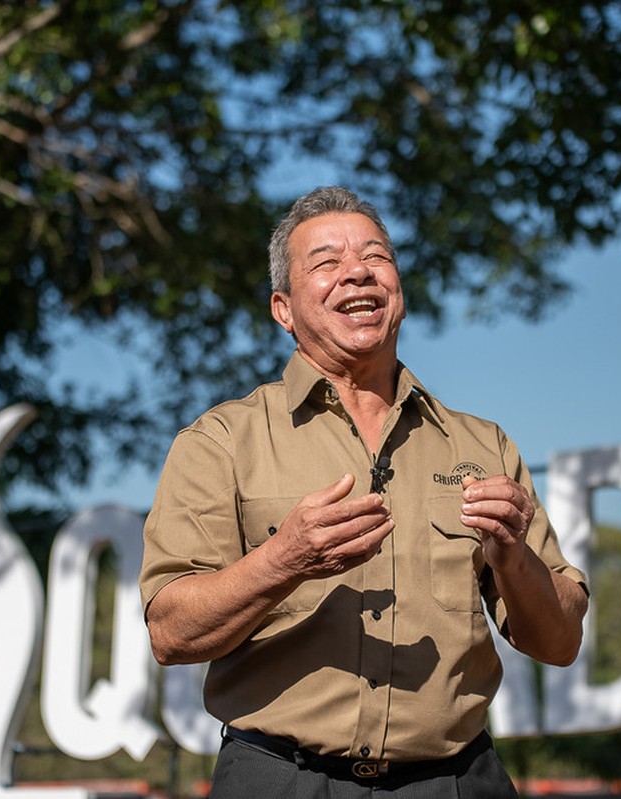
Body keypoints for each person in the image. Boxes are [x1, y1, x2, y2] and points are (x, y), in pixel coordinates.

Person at [139, 186, 588, 798]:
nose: (357, 272)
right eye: (326, 263)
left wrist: (514, 557)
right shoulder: (221, 441)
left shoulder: (483, 447)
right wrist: (284, 559)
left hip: (455, 781)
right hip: (279, 780)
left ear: (398, 290)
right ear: (283, 309)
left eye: (376, 257)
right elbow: (170, 632)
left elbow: (560, 642)